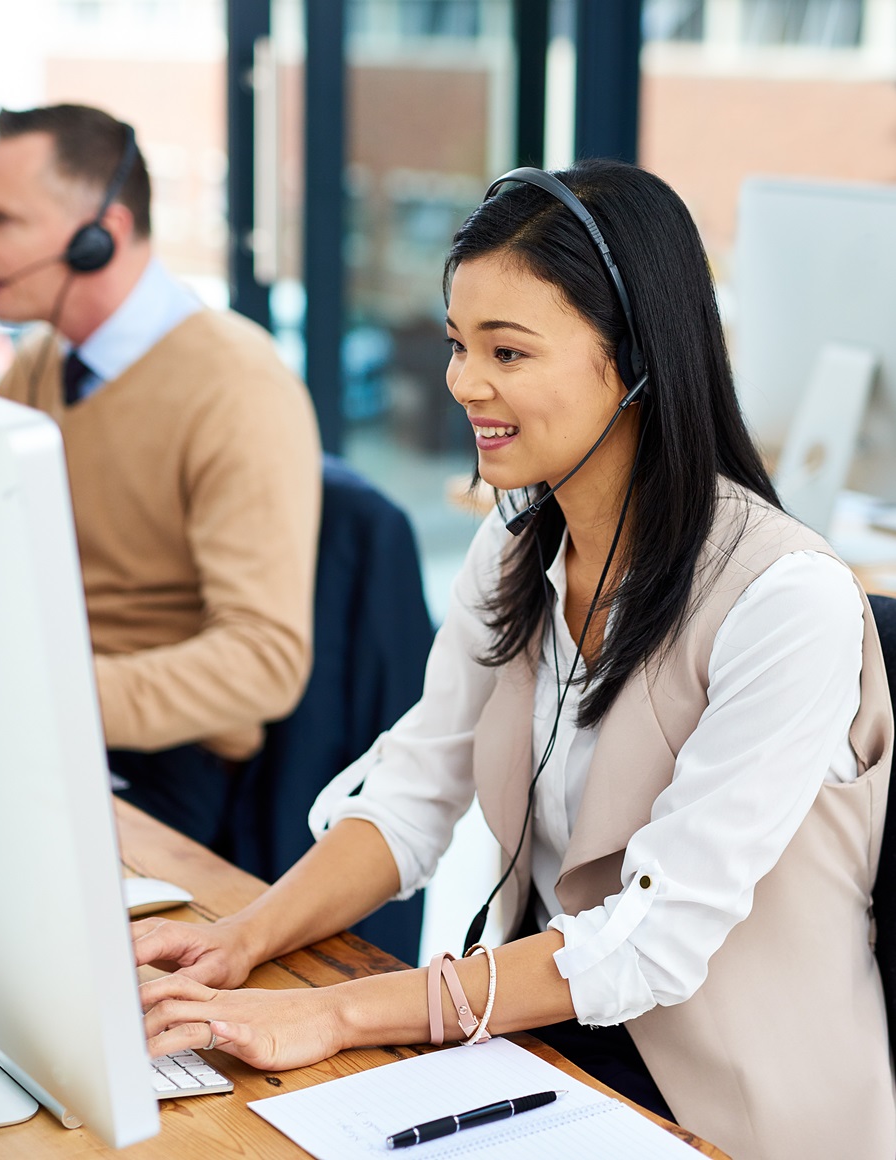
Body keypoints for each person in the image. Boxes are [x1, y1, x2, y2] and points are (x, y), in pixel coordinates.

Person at [132, 159, 895, 1160]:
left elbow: (651, 939)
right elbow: (413, 789)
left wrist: (342, 1011)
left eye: (507, 349)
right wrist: (244, 936)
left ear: (636, 358)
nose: (461, 382)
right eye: (458, 343)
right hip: (540, 1059)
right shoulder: (517, 542)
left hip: (734, 1116)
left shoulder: (787, 600)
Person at [0, 105, 321, 849]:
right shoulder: (37, 367)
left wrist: (41, 697)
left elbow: (266, 661)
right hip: (39, 727)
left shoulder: (237, 386)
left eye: (0, 219)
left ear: (102, 237)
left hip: (158, 770)